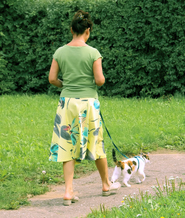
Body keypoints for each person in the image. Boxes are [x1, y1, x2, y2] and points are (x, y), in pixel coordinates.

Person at [48, 10, 121, 206]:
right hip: (88, 103)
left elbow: (52, 79)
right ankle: (106, 185)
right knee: (96, 144)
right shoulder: (93, 53)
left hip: (67, 103)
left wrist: (66, 85)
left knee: (67, 145)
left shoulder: (60, 52)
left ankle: (68, 191)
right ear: (87, 31)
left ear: (71, 29)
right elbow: (99, 80)